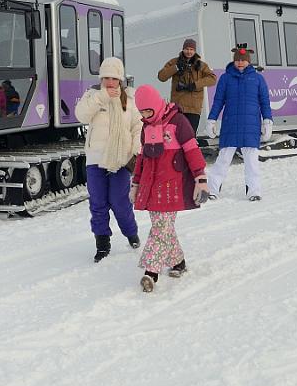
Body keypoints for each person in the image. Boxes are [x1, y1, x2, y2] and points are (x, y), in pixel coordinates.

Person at [130, 84, 209, 293]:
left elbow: (192, 150)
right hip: (152, 187)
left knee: (160, 229)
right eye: (142, 112)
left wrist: (200, 178)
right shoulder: (146, 128)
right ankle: (179, 262)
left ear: (156, 104)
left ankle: (151, 272)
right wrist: (135, 183)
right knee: (165, 228)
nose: (146, 115)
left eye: (148, 110)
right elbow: (142, 159)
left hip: (172, 186)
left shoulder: (178, 122)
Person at [75, 57, 142, 262]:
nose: (110, 82)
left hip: (120, 160)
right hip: (95, 159)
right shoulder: (93, 96)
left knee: (120, 202)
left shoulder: (129, 100)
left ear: (120, 79)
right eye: (106, 78)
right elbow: (81, 116)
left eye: (114, 78)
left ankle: (131, 233)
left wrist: (135, 148)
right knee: (98, 204)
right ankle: (102, 243)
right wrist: (101, 98)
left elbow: (138, 126)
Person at [205, 45, 273, 201]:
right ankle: (213, 189)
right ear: (234, 61)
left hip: (251, 125)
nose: (240, 63)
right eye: (237, 60)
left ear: (249, 62)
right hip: (231, 124)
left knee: (251, 161)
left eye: (243, 60)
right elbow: (218, 101)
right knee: (223, 158)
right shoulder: (225, 78)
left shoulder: (257, 78)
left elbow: (264, 102)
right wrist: (212, 119)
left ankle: (254, 191)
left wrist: (267, 120)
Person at [157, 38, 217, 136]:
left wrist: (195, 85)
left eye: (191, 49)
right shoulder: (174, 62)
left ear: (194, 51)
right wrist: (176, 68)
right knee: (176, 136)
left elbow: (213, 79)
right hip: (178, 107)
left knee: (190, 137)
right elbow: (161, 77)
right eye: (187, 49)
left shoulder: (201, 65)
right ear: (183, 49)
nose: (189, 51)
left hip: (194, 108)